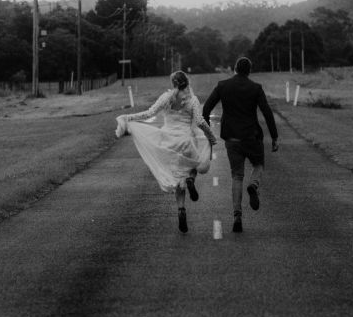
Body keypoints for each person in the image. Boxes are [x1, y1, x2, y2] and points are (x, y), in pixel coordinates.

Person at [116, 71, 217, 233]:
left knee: (177, 177)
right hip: (186, 141)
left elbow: (148, 113)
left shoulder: (166, 98)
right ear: (187, 82)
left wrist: (129, 117)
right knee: (194, 166)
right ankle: (190, 180)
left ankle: (181, 209)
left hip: (169, 141)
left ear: (173, 83)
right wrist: (211, 136)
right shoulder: (192, 100)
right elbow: (200, 121)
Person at [202, 57, 279, 233]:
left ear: (235, 69)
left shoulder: (222, 86)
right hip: (251, 137)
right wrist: (274, 136)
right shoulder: (256, 88)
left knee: (237, 176)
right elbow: (267, 112)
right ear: (249, 70)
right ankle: (254, 185)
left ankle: (237, 216)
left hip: (232, 139)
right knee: (258, 165)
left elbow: (205, 110)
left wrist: (208, 134)